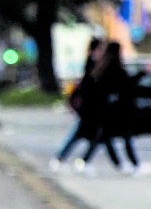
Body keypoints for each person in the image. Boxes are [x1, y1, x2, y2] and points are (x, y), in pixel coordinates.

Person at [81, 41, 150, 175]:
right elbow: (127, 85)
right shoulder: (115, 69)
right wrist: (142, 74)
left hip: (106, 111)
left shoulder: (101, 68)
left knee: (104, 138)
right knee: (122, 138)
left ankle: (88, 162)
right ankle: (135, 165)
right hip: (116, 111)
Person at [50, 38, 119, 171]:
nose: (102, 52)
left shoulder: (96, 65)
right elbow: (88, 89)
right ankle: (65, 159)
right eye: (100, 49)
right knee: (85, 135)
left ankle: (77, 160)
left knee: (99, 136)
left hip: (93, 109)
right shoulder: (92, 65)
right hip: (90, 109)